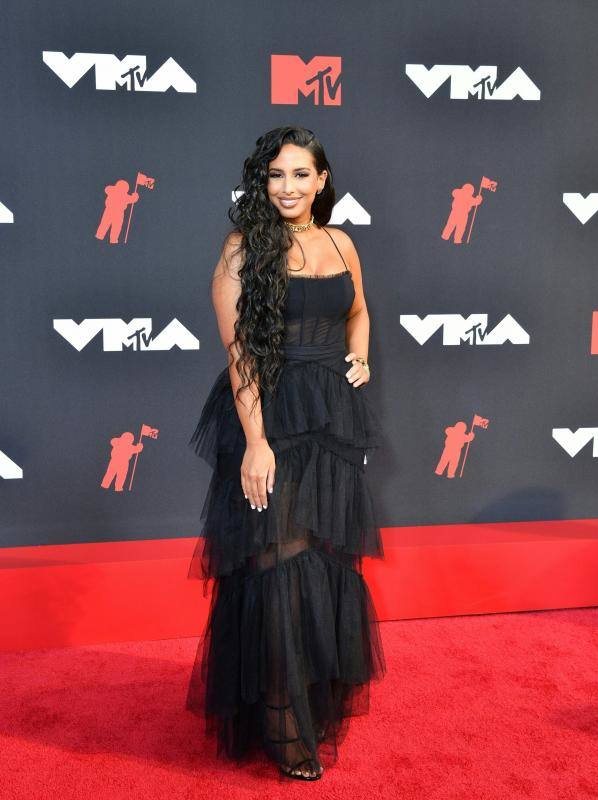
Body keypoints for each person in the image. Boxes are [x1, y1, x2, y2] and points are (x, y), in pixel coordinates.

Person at [185, 125, 386, 781]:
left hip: (330, 419)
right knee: (275, 565)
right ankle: (278, 719)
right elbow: (240, 354)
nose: (289, 187)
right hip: (269, 416)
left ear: (322, 180)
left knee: (320, 561)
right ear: (261, 182)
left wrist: (356, 355)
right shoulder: (243, 250)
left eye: (301, 174)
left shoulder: (339, 241)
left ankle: (306, 701)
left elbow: (358, 310)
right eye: (276, 175)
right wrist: (255, 444)